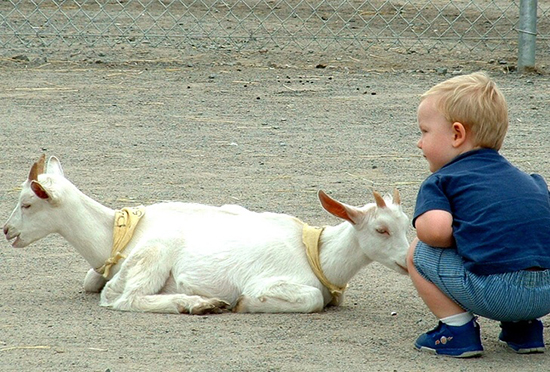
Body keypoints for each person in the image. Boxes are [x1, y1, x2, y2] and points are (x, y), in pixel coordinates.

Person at [407, 71, 550, 358]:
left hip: (497, 294)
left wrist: (467, 236)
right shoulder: (530, 180)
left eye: (424, 131)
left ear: (457, 134)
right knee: (516, 243)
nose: (419, 143)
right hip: (546, 295)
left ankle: (456, 330)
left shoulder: (443, 180)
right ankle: (524, 330)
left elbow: (434, 232)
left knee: (417, 251)